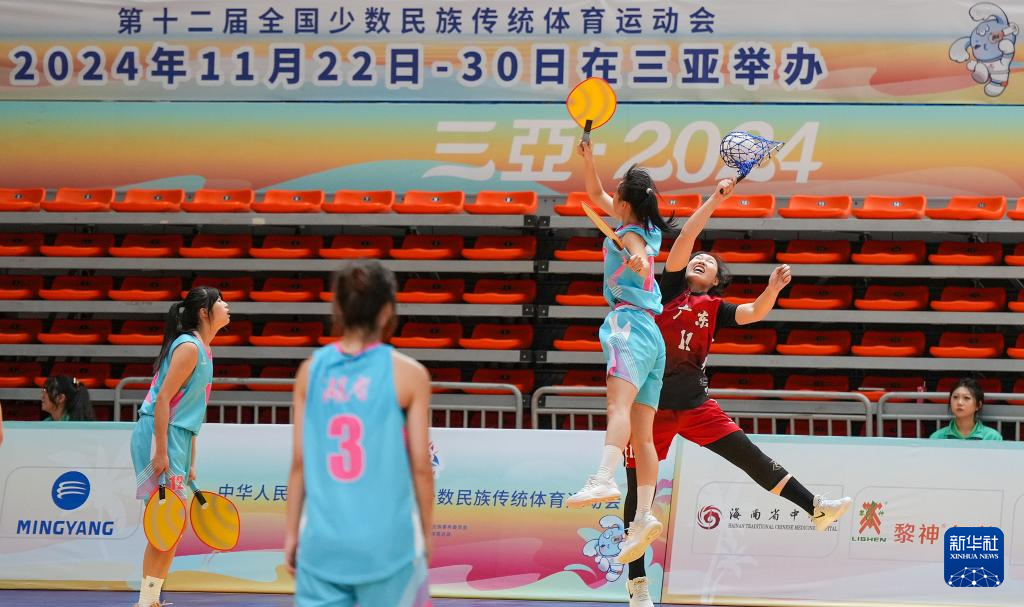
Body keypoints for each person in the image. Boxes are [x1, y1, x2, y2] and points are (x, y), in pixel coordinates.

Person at [620, 181, 853, 607]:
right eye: (698, 258)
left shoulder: (716, 309)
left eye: (709, 263)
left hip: (695, 405)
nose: (700, 260)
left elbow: (755, 312)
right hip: (650, 406)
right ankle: (637, 585)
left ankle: (816, 508)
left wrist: (772, 290)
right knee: (638, 494)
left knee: (752, 458)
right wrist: (716, 199)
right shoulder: (667, 290)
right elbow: (687, 237)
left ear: (716, 280)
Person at [285, 260, 433, 607]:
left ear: (337, 308)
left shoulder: (309, 371)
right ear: (387, 310)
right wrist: (426, 535)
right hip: (387, 546)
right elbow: (421, 466)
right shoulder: (410, 374)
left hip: (322, 544)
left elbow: (300, 462)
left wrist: (291, 534)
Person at [565, 138, 677, 568]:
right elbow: (595, 194)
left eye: (617, 195)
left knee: (618, 407)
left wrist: (640, 263)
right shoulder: (646, 227)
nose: (610, 198)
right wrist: (589, 158)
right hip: (653, 337)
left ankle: (603, 477)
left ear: (626, 204)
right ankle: (644, 514)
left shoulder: (631, 233)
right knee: (643, 435)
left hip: (627, 325)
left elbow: (639, 255)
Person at [130, 286, 229, 607]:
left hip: (177, 436)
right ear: (204, 312)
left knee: (172, 524)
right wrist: (161, 451)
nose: (227, 305)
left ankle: (150, 600)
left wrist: (190, 461)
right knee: (166, 522)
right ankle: (146, 602)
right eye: (220, 301)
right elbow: (162, 400)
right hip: (160, 434)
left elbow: (188, 411)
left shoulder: (204, 349)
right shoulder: (189, 348)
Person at [930, 378, 1003, 441]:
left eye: (966, 398)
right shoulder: (937, 437)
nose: (959, 402)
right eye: (955, 397)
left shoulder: (992, 438)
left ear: (978, 405)